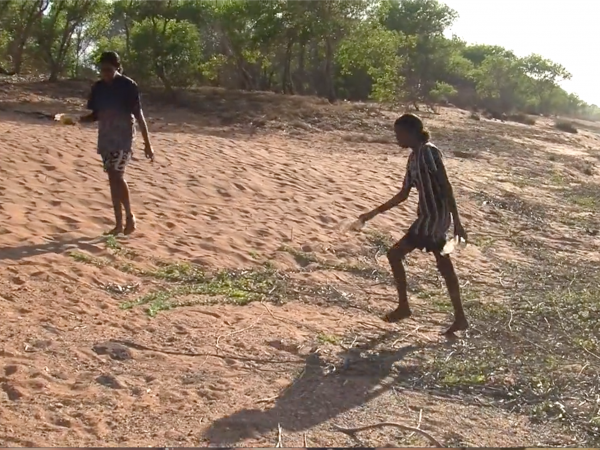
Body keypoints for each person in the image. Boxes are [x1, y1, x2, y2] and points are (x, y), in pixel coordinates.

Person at [357, 113, 468, 334]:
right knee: (443, 265)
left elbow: (446, 186)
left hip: (433, 219)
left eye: (399, 134)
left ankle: (405, 307)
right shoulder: (413, 158)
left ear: (412, 132)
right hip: (428, 218)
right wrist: (372, 213)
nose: (397, 138)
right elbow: (403, 194)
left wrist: (458, 222)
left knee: (396, 255)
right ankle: (459, 317)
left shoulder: (428, 152)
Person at [79, 51, 154, 235]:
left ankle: (129, 216)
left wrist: (147, 143)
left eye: (109, 70)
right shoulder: (98, 88)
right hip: (106, 135)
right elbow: (96, 114)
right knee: (112, 178)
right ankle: (118, 223)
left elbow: (138, 115)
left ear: (117, 68)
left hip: (124, 135)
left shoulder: (128, 86)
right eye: (102, 70)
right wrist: (78, 120)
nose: (105, 73)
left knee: (117, 174)